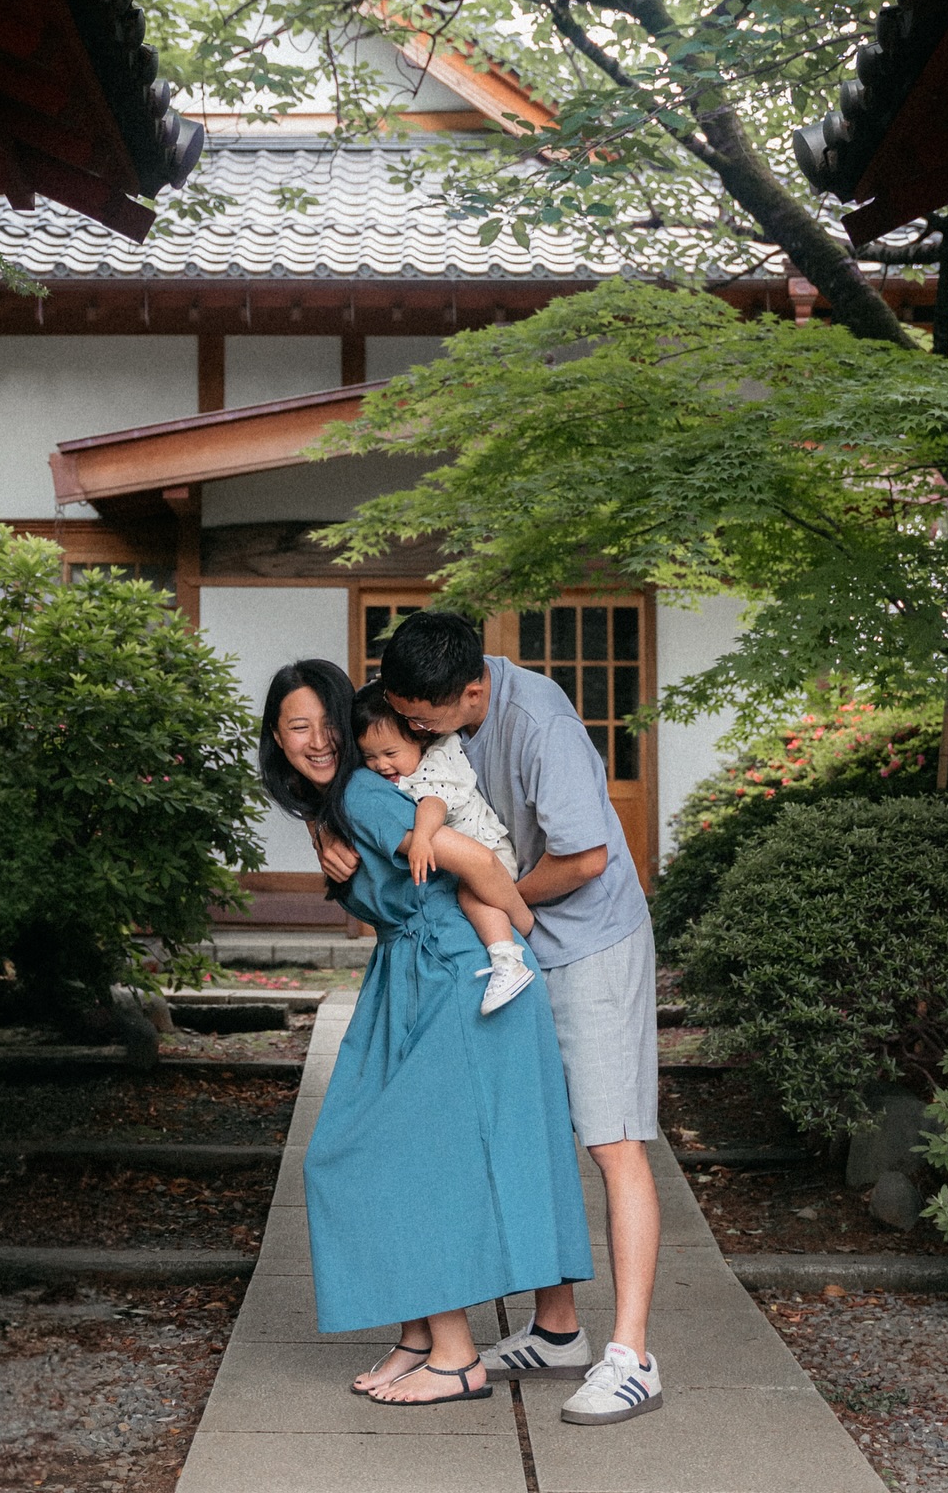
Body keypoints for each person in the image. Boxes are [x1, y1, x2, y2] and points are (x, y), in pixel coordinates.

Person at [318, 610, 664, 1427]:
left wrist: (496, 904)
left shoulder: (536, 716)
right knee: (531, 1126)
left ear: (471, 691)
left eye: (421, 717)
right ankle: (556, 1333)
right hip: (516, 937)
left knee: (612, 1139)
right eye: (401, 711)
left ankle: (633, 1356)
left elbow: (586, 858)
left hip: (590, 938)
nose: (408, 727)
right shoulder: (431, 709)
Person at [259, 658, 595, 1407]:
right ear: (277, 741)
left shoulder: (361, 794)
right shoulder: (340, 805)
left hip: (460, 974)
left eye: (325, 723)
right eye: (297, 727)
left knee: (400, 1155)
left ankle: (455, 1354)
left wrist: (522, 929)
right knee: (361, 1149)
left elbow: (472, 858)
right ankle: (418, 1338)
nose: (316, 740)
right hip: (412, 977)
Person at [352, 679, 535, 1014]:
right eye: (370, 757)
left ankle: (508, 959)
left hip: (488, 848)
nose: (381, 765)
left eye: (390, 753)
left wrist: (421, 838)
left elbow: (433, 804)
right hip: (474, 854)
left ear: (420, 737)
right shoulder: (397, 773)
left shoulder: (437, 761)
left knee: (470, 895)